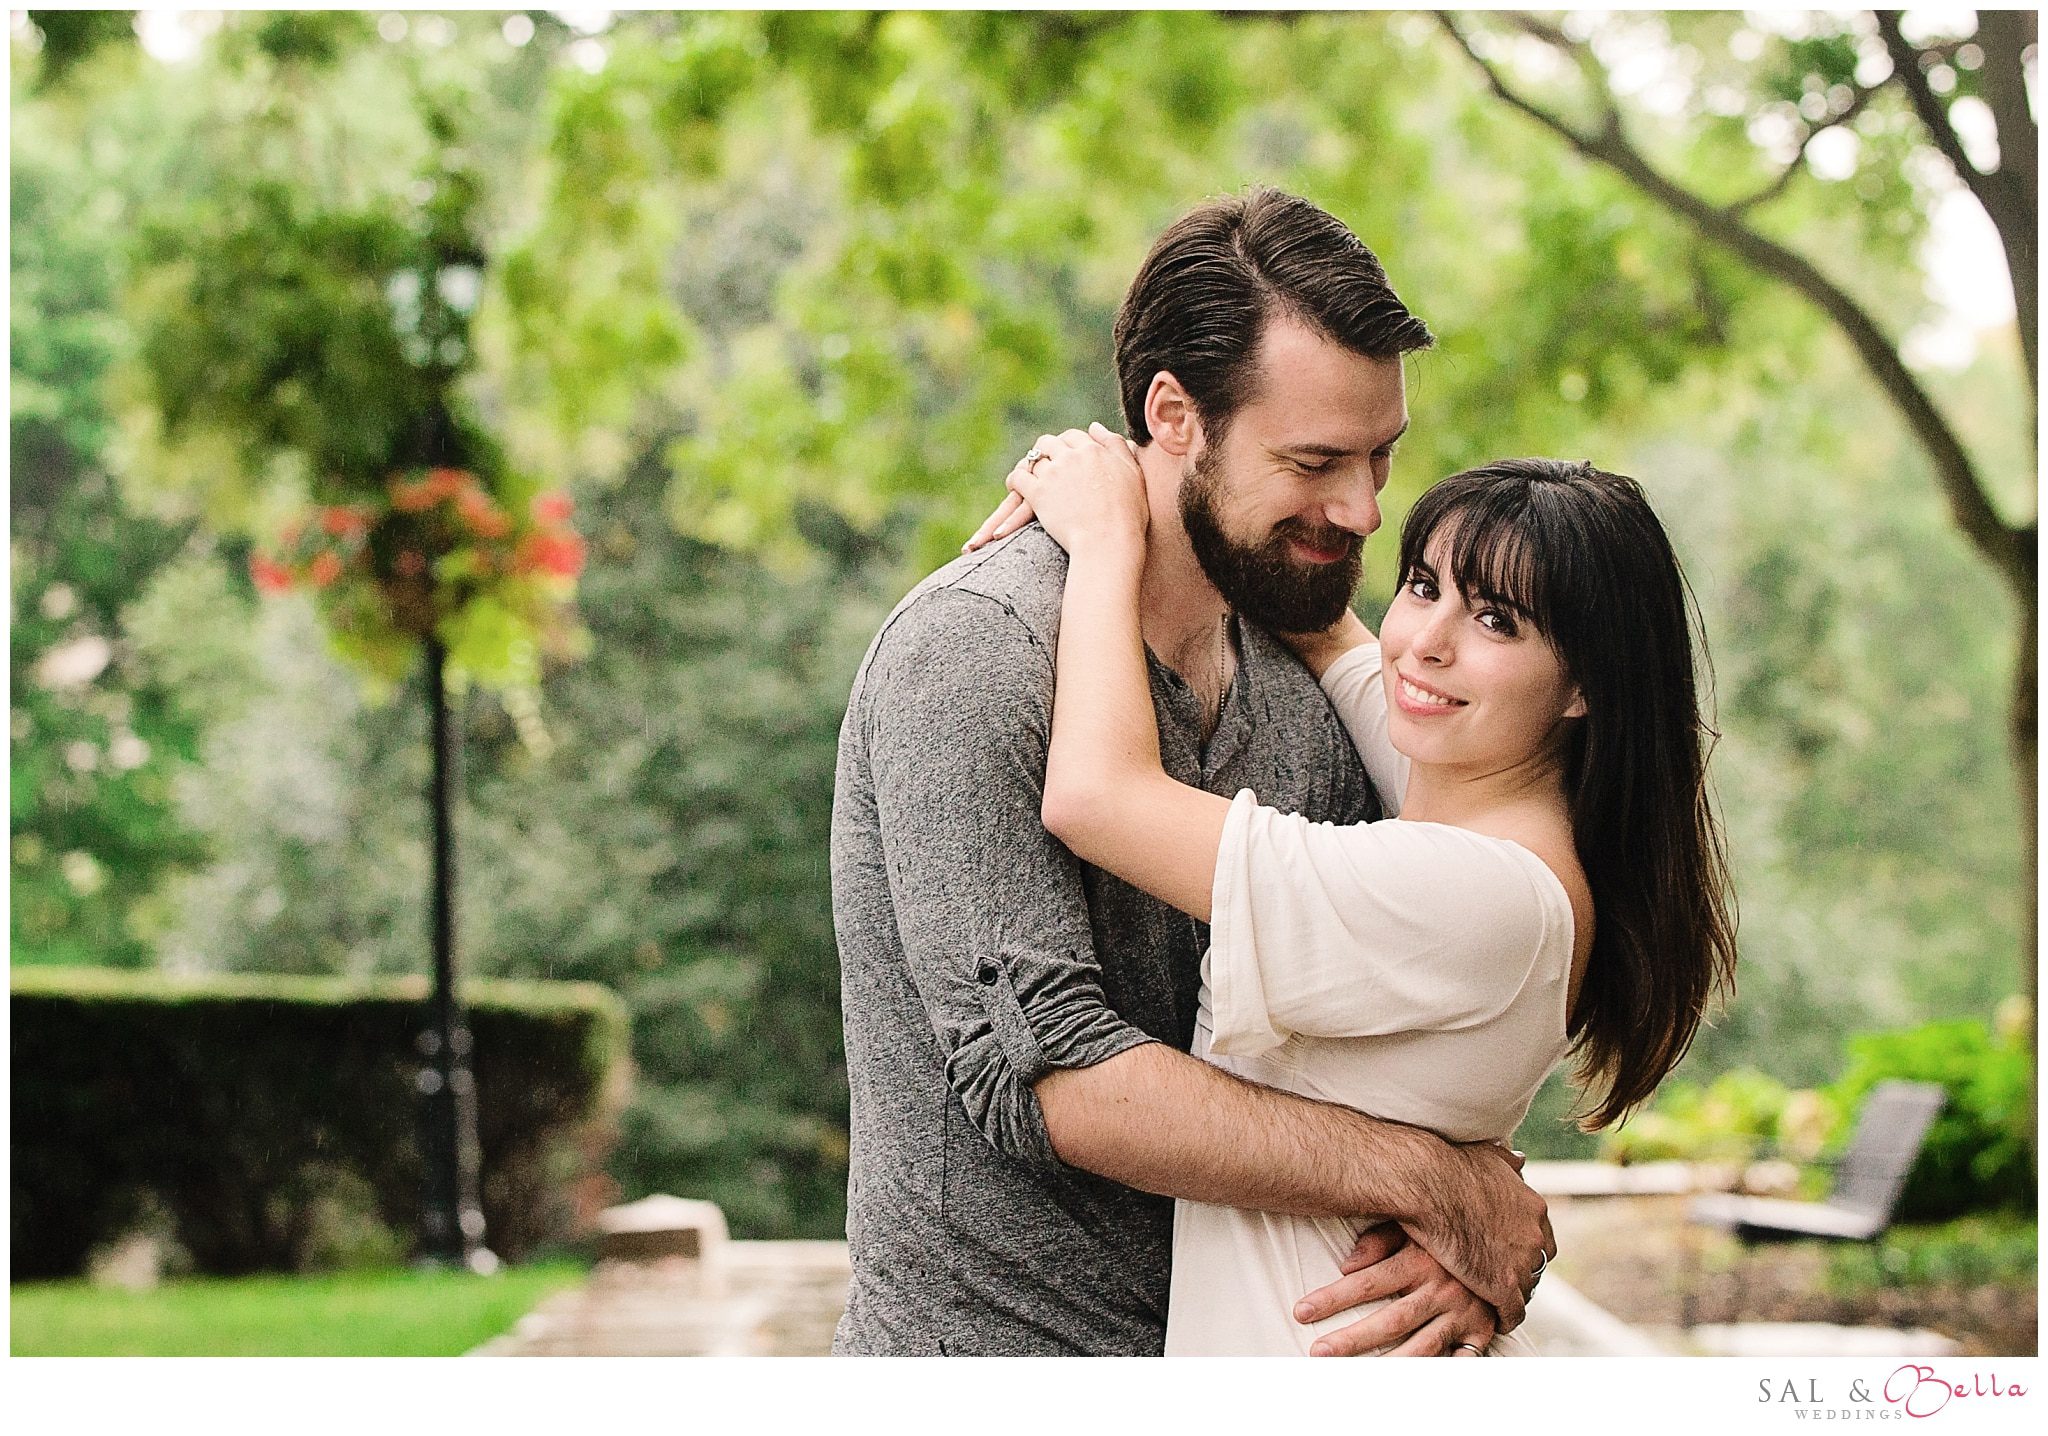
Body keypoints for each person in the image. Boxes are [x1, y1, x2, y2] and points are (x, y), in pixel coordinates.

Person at [829, 187, 1551, 1359]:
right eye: (1314, 460)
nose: (1363, 509)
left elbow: (1400, 1011)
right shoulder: (973, 651)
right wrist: (1433, 1180)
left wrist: (1463, 1227)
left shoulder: (1298, 692)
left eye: (1380, 455)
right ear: (1172, 415)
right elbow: (1047, 1074)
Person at [980, 434, 1738, 1353]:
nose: (1427, 644)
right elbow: (1335, 638)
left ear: (1583, 685)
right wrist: (1177, 461)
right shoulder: (1475, 795)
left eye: (1497, 621)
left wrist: (1107, 537)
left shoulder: (1478, 894)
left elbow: (1096, 798)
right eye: (1422, 585)